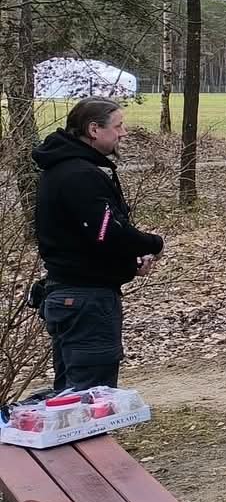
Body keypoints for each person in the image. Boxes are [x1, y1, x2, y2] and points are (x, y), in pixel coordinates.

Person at [32, 98, 164, 392]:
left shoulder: (66, 169)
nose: (123, 133)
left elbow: (88, 237)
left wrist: (128, 262)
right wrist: (153, 243)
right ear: (93, 129)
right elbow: (108, 232)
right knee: (91, 401)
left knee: (69, 397)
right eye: (118, 126)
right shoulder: (79, 174)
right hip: (86, 302)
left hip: (70, 295)